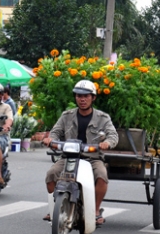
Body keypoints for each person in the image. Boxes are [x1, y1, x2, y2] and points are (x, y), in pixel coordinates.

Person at [42, 80, 118, 226]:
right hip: (69, 157)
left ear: (93, 98)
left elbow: (112, 135)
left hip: (93, 158)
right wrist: (50, 140)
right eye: (79, 96)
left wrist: (107, 143)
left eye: (86, 96)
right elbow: (56, 132)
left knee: (102, 176)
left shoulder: (103, 118)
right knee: (51, 174)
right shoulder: (67, 116)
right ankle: (55, 208)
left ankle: (95, 210)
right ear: (75, 97)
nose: (82, 99)